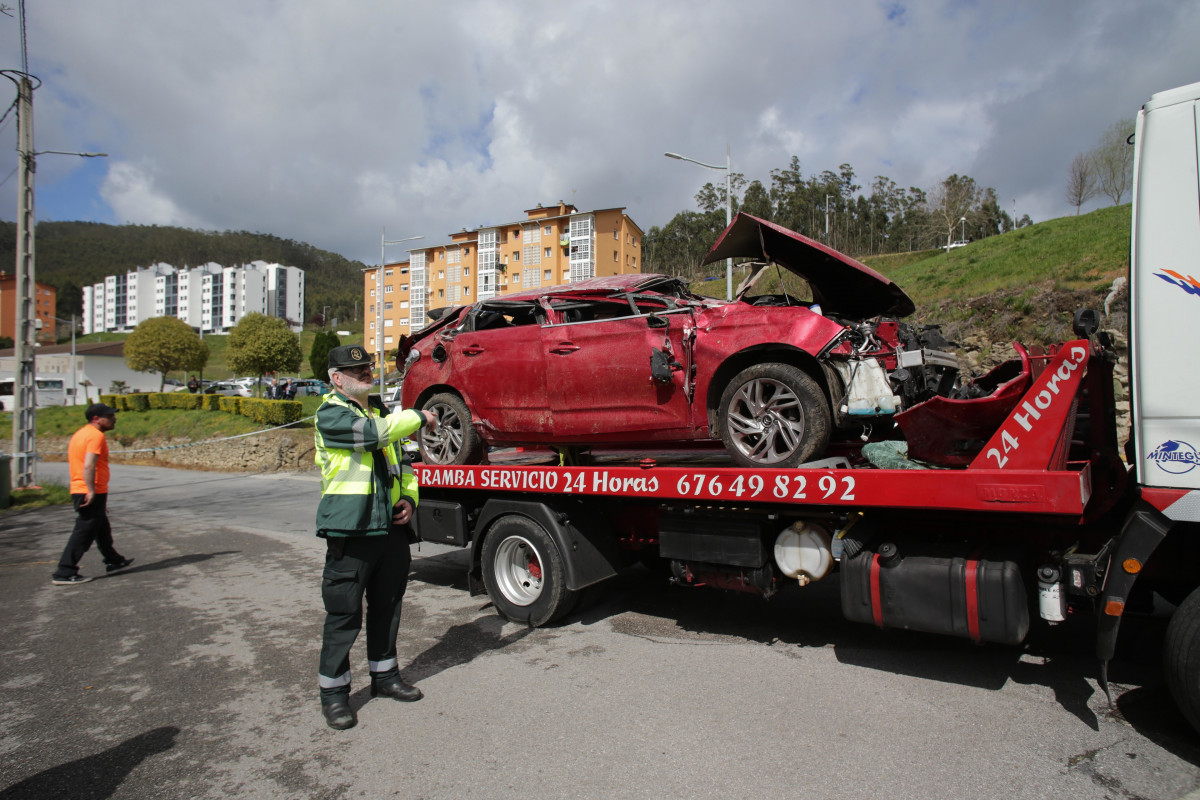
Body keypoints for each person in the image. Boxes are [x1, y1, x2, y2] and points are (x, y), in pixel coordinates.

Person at [314, 345, 438, 730]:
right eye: (357, 370)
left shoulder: (381, 413)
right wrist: (417, 415)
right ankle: (335, 696)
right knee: (344, 614)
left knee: (388, 607)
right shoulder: (332, 413)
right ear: (337, 378)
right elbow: (372, 437)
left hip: (390, 530)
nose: (367, 373)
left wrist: (410, 501)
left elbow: (405, 463)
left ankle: (385, 677)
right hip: (352, 531)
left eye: (367, 367)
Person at [52, 404, 134, 586]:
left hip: (87, 488)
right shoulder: (95, 436)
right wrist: (91, 490)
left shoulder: (82, 433)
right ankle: (64, 571)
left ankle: (113, 559)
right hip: (89, 489)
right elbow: (89, 465)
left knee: (101, 527)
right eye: (109, 415)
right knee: (84, 532)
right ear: (96, 418)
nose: (114, 418)